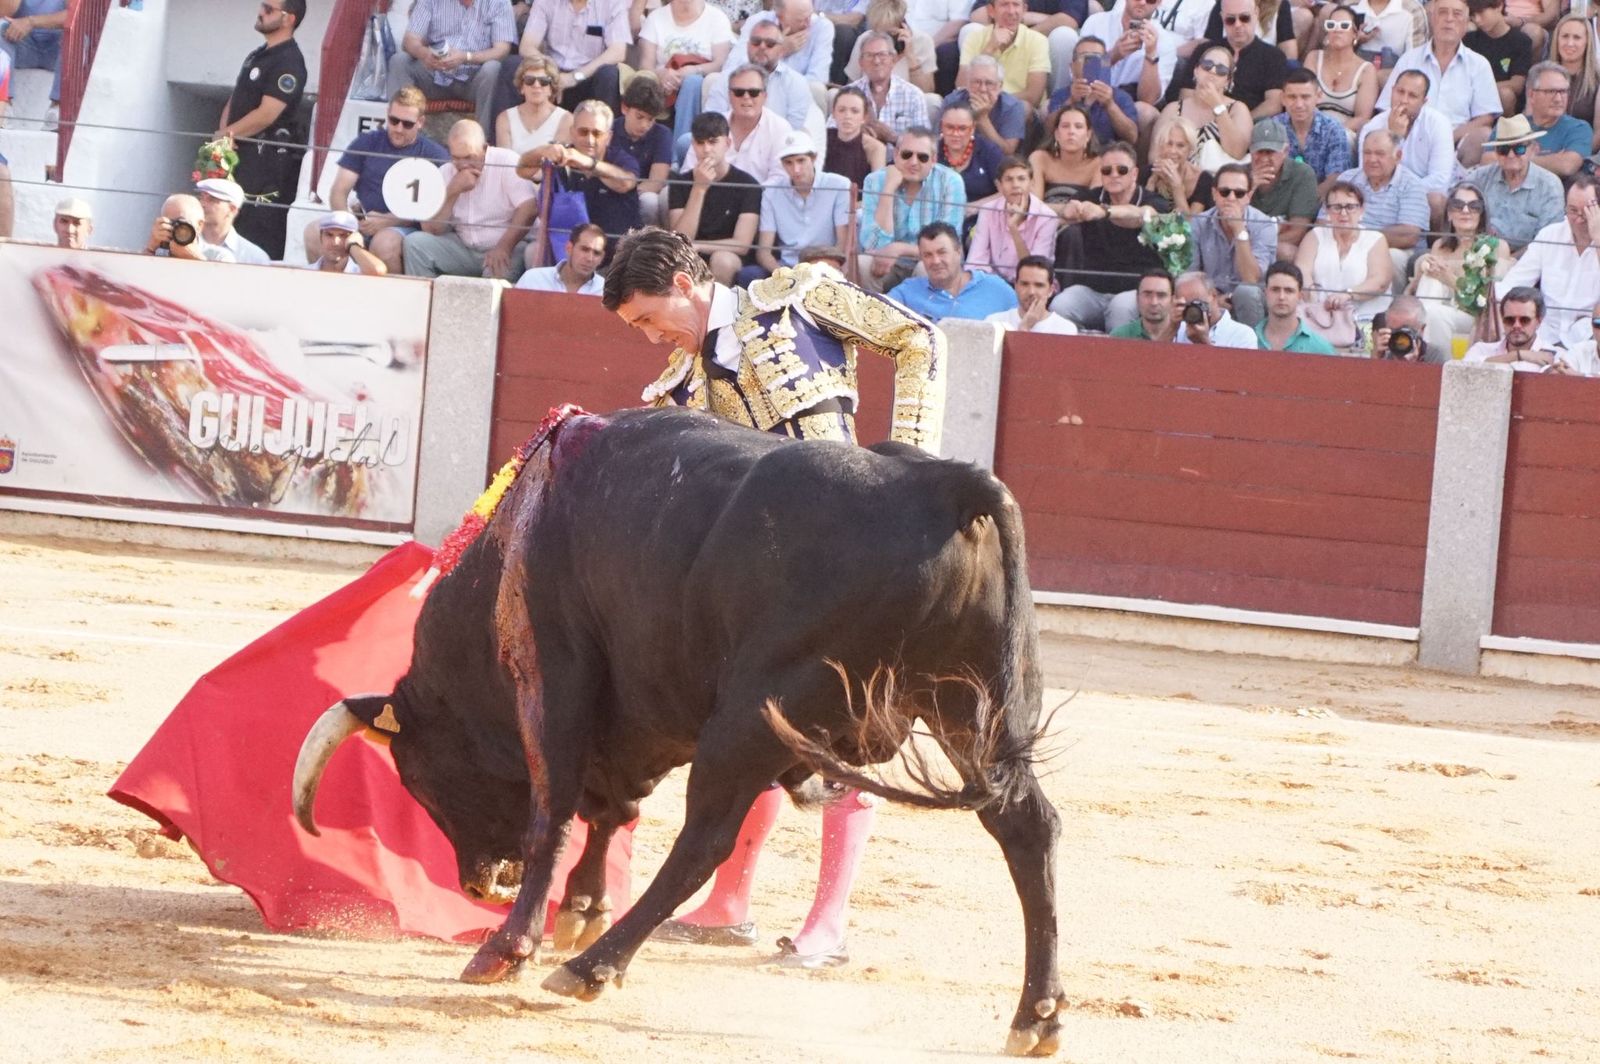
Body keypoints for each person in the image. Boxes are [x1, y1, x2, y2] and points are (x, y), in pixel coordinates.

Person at [605, 225, 945, 968]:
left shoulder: (801, 298)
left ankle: (830, 922)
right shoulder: (675, 389)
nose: (651, 337)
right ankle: (729, 904)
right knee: (748, 727)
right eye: (637, 328)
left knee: (850, 728)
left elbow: (920, 340)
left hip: (852, 553)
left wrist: (910, 468)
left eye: (649, 317)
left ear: (685, 284)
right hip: (759, 582)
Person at [309, 87, 450, 274]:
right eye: (394, 121)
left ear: (420, 122)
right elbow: (339, 192)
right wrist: (348, 225)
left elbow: (437, 207)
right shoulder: (367, 142)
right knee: (313, 233)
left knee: (384, 243)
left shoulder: (435, 155)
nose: (398, 128)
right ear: (387, 115)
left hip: (405, 229)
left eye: (407, 124)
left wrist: (390, 220)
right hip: (361, 223)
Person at [217, 0, 308, 261]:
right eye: (262, 6)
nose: (260, 12)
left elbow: (267, 113)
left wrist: (228, 135)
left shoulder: (289, 61)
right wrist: (222, 136)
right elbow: (237, 98)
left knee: (256, 233)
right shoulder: (258, 54)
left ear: (288, 18)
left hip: (265, 164)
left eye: (268, 9)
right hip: (239, 157)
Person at [1051, 140, 1168, 332]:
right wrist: (1067, 209)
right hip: (1092, 291)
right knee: (1060, 306)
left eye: (1121, 170)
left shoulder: (1153, 200)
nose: (1114, 175)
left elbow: (1142, 215)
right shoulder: (1090, 197)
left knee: (1120, 309)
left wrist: (1105, 212)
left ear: (1134, 174)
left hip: (1134, 291)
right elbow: (1055, 211)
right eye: (1107, 170)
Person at [403, 119, 537, 280]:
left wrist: (504, 247)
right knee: (414, 243)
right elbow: (431, 229)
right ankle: (424, 295)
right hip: (464, 247)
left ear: (484, 149)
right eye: (456, 158)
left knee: (494, 274)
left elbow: (529, 208)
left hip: (507, 245)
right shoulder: (445, 172)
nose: (463, 164)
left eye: (469, 157)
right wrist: (452, 191)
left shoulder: (507, 161)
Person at [1377, 0, 1500, 167]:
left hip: (1455, 144)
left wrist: (1445, 139)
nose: (1449, 19)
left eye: (1457, 14)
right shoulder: (1409, 59)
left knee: (1483, 135)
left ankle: (1462, 184)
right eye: (1442, 12)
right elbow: (1386, 107)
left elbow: (1485, 118)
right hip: (1409, 139)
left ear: (1466, 23)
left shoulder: (1479, 64)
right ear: (1432, 18)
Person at [519, 100, 642, 257]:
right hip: (568, 255)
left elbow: (626, 183)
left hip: (618, 256)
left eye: (597, 134)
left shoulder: (621, 159)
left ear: (608, 137)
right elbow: (523, 170)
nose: (590, 140)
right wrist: (542, 151)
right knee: (532, 252)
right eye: (583, 132)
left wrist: (587, 163)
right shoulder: (562, 155)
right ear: (572, 132)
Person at [857, 126, 965, 291]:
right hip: (888, 263)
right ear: (896, 154)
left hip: (927, 259)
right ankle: (873, 307)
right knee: (863, 263)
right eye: (907, 155)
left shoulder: (950, 182)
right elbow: (872, 243)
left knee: (926, 267)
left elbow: (947, 246)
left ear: (933, 159)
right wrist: (888, 190)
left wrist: (899, 249)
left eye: (922, 157)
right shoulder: (875, 181)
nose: (913, 162)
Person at [1406, 181, 1508, 355]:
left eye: (1474, 206)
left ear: (1482, 214)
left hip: (1476, 315)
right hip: (1440, 306)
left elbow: (1484, 300)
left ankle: (1437, 363)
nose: (1466, 211)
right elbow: (1418, 288)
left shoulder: (1495, 246)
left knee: (1435, 314)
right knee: (1431, 279)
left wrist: (1450, 278)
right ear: (1449, 214)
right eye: (1458, 205)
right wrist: (1420, 275)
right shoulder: (1440, 245)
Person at [387, 0, 516, 136]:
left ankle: (482, 139)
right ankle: (398, 132)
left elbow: (502, 49)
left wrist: (466, 57)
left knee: (493, 68)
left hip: (473, 80)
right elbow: (409, 40)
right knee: (399, 61)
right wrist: (425, 54)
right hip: (434, 74)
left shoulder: (498, 2)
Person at [741, 129, 851, 287]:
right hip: (787, 268)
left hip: (826, 266)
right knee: (749, 275)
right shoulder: (772, 192)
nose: (796, 169)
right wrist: (785, 276)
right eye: (789, 163)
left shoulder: (838, 185)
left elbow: (842, 243)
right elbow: (764, 251)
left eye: (801, 161)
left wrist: (826, 271)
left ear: (814, 158)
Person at [1501, 175, 1600, 350]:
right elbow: (1514, 283)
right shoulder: (1550, 235)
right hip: (1544, 336)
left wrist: (1598, 239)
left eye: (1585, 213)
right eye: (1572, 210)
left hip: (1589, 340)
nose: (1578, 220)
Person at [668, 111, 763, 284]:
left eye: (712, 142)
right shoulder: (680, 183)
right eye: (700, 143)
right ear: (693, 145)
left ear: (727, 143)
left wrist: (700, 246)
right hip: (691, 254)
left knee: (721, 260)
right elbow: (681, 238)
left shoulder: (748, 185)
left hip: (729, 256)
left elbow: (742, 244)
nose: (706, 149)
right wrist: (699, 189)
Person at [1355, 70, 1457, 222]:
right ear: (1392, 91)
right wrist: (1393, 136)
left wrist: (1404, 193)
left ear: (1424, 101)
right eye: (1400, 92)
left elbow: (1439, 180)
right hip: (1380, 192)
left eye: (1412, 96)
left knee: (1436, 200)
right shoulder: (1373, 127)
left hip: (1421, 194)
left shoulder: (1439, 124)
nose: (1403, 100)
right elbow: (1367, 172)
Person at [637, 0, 737, 147]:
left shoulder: (717, 18)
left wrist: (694, 70)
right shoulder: (655, 18)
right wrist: (662, 74)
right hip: (663, 84)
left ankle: (681, 150)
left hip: (698, 84)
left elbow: (720, 64)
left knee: (692, 82)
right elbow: (645, 65)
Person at [1190, 162, 1276, 326]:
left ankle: (1253, 343)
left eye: (1239, 193)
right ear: (1214, 194)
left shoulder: (1264, 224)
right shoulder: (1199, 223)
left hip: (1252, 302)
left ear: (1248, 197)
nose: (1231, 198)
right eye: (1224, 192)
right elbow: (1191, 274)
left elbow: (1251, 279)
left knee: (1246, 292)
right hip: (1210, 299)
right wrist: (1213, 299)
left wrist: (1239, 230)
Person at [1294, 180, 1393, 322]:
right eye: (1336, 207)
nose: (1343, 213)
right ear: (1327, 211)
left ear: (1361, 210)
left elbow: (1380, 281)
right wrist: (1313, 300)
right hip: (1319, 317)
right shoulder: (1315, 235)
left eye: (1350, 207)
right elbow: (1302, 272)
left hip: (1365, 319)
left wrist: (1348, 294)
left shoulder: (1375, 239)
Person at [1332, 128, 1428, 273]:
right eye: (1367, 153)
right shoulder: (1346, 179)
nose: (1372, 159)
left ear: (1398, 156)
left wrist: (1358, 239)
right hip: (1346, 243)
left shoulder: (1412, 184)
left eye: (1380, 154)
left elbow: (1408, 235)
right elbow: (1324, 222)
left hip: (1395, 249)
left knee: (1391, 256)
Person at [1174, 0, 1289, 120]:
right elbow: (1186, 94)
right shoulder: (1204, 50)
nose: (1238, 24)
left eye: (1244, 18)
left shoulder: (1273, 56)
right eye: (1230, 20)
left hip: (1249, 125)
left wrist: (1240, 122)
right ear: (1222, 17)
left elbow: (1274, 104)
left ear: (1256, 13)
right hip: (1199, 121)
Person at [1462, 114, 1562, 252]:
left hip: (1529, 260)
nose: (1510, 155)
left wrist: (1510, 260)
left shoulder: (1550, 186)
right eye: (1503, 150)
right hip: (1477, 254)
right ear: (1496, 152)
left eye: (1519, 149)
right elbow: (1456, 210)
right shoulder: (1479, 178)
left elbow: (1547, 242)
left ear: (1533, 149)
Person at [887, 220, 1019, 322]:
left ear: (958, 251)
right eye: (928, 255)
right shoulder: (908, 291)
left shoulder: (995, 288)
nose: (936, 261)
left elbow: (1021, 325)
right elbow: (879, 315)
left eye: (942, 252)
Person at [513, 0, 628, 113]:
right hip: (551, 74)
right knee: (513, 64)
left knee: (609, 74)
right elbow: (527, 46)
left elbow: (618, 52)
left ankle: (603, 124)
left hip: (588, 75)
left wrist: (575, 77)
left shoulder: (613, 3)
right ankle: (508, 123)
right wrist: (552, 73)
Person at [683, 65, 791, 184]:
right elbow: (688, 172)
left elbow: (780, 179)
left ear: (765, 96)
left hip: (761, 194)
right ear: (729, 96)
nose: (746, 97)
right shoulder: (711, 125)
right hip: (709, 192)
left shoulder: (780, 128)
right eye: (739, 92)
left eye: (754, 92)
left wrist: (750, 193)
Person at [707, 12, 813, 132]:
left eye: (770, 44)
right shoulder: (726, 78)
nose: (762, 47)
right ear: (747, 46)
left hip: (779, 141)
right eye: (756, 42)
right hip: (730, 140)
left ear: (781, 50)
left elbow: (793, 131)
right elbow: (712, 122)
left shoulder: (796, 83)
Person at [1159, 42, 1253, 165]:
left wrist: (1218, 107)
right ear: (1196, 70)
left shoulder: (1238, 109)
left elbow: (1237, 152)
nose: (1213, 71)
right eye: (1207, 65)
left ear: (1228, 80)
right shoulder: (1173, 109)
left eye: (1221, 70)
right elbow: (1155, 155)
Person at [967, 155, 1057, 281]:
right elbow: (975, 262)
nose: (1015, 185)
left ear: (1031, 183)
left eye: (1021, 179)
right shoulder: (988, 210)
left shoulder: (1047, 217)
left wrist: (1013, 228)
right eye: (1009, 179)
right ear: (999, 185)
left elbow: (1035, 271)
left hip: (1031, 285)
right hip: (993, 283)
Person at [1079, 0, 1180, 110]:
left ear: (1158, 2)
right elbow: (1079, 74)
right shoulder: (1096, 22)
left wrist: (1151, 54)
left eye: (1150, 0)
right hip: (1090, 95)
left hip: (1128, 107)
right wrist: (1112, 56)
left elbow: (1148, 100)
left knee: (1145, 111)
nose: (1142, 2)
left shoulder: (1165, 41)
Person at [1044, 37, 1139, 150]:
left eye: (1097, 57)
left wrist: (1110, 105)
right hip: (1070, 153)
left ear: (1105, 64)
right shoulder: (1061, 95)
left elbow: (1132, 137)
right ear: (1072, 66)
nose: (1091, 63)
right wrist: (1070, 101)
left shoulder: (1120, 97)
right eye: (1085, 57)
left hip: (1108, 155)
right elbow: (1048, 131)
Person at [956, 0, 1050, 110]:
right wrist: (989, 49)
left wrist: (994, 100)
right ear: (991, 11)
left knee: (1023, 107)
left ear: (1024, 10)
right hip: (977, 105)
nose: (1011, 11)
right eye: (1004, 5)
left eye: (1016, 5)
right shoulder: (974, 38)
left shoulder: (1038, 41)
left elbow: (1033, 96)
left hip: (1015, 108)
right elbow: (961, 87)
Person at [1510, 64, 1594, 180]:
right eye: (1551, 91)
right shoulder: (1511, 126)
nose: (1558, 99)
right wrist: (1552, 159)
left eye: (1563, 92)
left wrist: (1517, 159)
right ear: (1531, 95)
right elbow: (1488, 160)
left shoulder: (1579, 128)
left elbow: (1567, 166)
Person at [1301, 6, 1377, 134]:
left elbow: (1362, 117)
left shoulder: (1366, 70)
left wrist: (1332, 133)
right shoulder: (1313, 58)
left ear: (1355, 33)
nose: (1337, 30)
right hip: (1310, 128)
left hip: (1345, 133)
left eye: (1344, 25)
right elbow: (1303, 100)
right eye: (1331, 25)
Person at [1250, 119, 1318, 261]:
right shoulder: (1239, 175)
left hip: (1271, 246)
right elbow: (1228, 221)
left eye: (1270, 152)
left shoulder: (1302, 174)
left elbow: (1297, 232)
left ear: (1285, 151)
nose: (1264, 159)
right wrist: (1250, 187)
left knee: (1287, 251)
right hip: (1245, 244)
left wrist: (1257, 245)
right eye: (1259, 152)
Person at [611, 77, 674, 226]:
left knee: (651, 201)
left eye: (650, 119)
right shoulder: (610, 131)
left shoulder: (662, 134)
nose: (644, 125)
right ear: (625, 108)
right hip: (614, 193)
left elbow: (656, 182)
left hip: (643, 194)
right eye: (639, 117)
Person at [850, 30, 932, 142]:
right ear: (861, 63)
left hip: (899, 153)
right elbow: (831, 137)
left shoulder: (913, 95)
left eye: (882, 55)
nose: (876, 61)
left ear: (893, 60)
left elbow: (923, 144)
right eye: (869, 56)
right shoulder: (849, 94)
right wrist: (855, 133)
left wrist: (893, 138)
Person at [1275, 68, 1350, 188]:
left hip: (1321, 195)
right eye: (1292, 97)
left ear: (1318, 96)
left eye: (1305, 97)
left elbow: (1336, 177)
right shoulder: (1273, 127)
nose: (1299, 104)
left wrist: (1310, 198)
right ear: (1283, 98)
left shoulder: (1333, 129)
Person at [841, 0, 937, 93]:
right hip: (870, 98)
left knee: (932, 100)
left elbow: (927, 91)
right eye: (878, 34)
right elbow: (852, 85)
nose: (884, 39)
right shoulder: (865, 39)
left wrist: (911, 57)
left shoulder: (923, 41)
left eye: (890, 33)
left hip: (908, 99)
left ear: (902, 25)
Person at [947, 53, 1030, 156]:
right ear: (967, 84)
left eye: (989, 83)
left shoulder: (1012, 107)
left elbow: (1007, 152)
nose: (983, 89)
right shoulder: (952, 102)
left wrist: (983, 119)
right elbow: (941, 142)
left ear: (1000, 86)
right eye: (977, 82)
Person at [1463, 286, 1561, 370]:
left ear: (1539, 321)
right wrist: (1518, 356)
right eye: (1509, 320)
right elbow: (1465, 370)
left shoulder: (1556, 356)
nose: (1516, 325)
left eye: (1524, 320)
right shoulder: (1481, 350)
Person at [0, 0, 68, 121]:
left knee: (76, 36)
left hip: (57, 48)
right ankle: (4, 108)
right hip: (22, 44)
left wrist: (31, 22)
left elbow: (73, 15)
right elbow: (3, 13)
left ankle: (56, 111)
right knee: (1, 29)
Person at [1032, 104, 1103, 218]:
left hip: (1082, 225)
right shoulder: (1040, 158)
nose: (1071, 131)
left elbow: (1091, 210)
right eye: (1065, 126)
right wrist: (1064, 209)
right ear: (1056, 134)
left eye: (1078, 126)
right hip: (1043, 222)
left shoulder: (1099, 164)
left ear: (1088, 135)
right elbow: (1032, 206)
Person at [1463, 0, 1532, 116]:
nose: (1477, 20)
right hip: (1472, 99)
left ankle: (1508, 126)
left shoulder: (1520, 41)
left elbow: (1517, 84)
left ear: (1499, 6)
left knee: (1506, 94)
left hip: (1501, 100)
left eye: (1481, 12)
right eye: (1473, 15)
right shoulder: (1469, 40)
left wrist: (1481, 87)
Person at [496, 56, 574, 154]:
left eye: (544, 81)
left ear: (551, 88)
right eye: (529, 80)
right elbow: (504, 160)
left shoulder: (566, 119)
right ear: (522, 87)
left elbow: (556, 159)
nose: (536, 85)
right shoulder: (505, 118)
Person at [1256, 260, 1338, 353]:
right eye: (1275, 289)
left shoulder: (1320, 348)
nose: (1281, 297)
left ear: (1300, 296)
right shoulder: (1248, 339)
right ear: (1265, 293)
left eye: (1289, 291)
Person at [985, 254, 1080, 334]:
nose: (1031, 292)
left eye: (1039, 285)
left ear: (1051, 290)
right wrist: (1024, 327)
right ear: (1016, 286)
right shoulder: (994, 323)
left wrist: (1025, 327)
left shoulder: (1065, 329)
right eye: (1025, 284)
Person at [1143, 114, 1213, 215]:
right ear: (1160, 145)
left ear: (1190, 149)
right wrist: (1152, 182)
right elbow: (1141, 217)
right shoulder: (1146, 172)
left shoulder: (1203, 179)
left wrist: (1177, 187)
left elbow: (1192, 223)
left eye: (1180, 145)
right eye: (1169, 143)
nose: (1173, 151)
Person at [935, 101, 1002, 205]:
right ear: (941, 127)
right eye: (949, 127)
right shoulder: (931, 150)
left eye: (962, 128)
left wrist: (974, 207)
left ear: (972, 129)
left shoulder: (989, 151)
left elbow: (1005, 192)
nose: (955, 133)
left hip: (979, 213)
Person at [1170, 270, 1259, 347]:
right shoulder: (1178, 329)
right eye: (1186, 305)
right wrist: (1171, 327)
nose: (1192, 310)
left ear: (1213, 295)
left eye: (1197, 303)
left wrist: (1203, 342)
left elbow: (1239, 363)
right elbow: (1162, 356)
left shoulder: (1242, 334)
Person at [196, 177, 272, 265]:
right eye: (201, 198)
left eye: (212, 200)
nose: (202, 204)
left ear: (232, 209)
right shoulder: (185, 245)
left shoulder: (254, 257)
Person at [514, 221, 608, 292]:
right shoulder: (533, 279)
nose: (589, 258)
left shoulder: (607, 293)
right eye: (584, 249)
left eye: (596, 253)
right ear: (569, 248)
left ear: (602, 257)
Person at [823, 87, 886, 189]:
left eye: (855, 111)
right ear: (833, 113)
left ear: (864, 117)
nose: (847, 116)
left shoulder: (875, 148)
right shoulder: (823, 138)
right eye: (841, 110)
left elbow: (876, 191)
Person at [1549, 15, 1600, 139]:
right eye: (1565, 36)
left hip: (1586, 147)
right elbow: (1531, 122)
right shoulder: (1541, 75)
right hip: (1544, 147)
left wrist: (1577, 149)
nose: (1570, 43)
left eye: (1577, 37)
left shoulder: (1597, 78)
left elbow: (1598, 133)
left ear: (1587, 42)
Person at [143, 194, 229, 262]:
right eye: (171, 223)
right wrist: (150, 248)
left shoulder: (219, 256)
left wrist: (195, 257)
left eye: (182, 223)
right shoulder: (157, 253)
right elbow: (138, 275)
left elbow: (222, 279)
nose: (177, 229)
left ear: (199, 225)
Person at [304, 211, 388, 275]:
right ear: (321, 238)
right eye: (329, 235)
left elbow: (377, 271)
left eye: (343, 235)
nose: (335, 243)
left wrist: (354, 246)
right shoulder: (305, 272)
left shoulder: (359, 272)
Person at [1109, 267, 1179, 341]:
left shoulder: (1184, 334)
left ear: (1172, 300)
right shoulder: (1120, 336)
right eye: (1147, 294)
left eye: (1161, 295)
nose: (1154, 302)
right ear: (1137, 298)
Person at [1369, 293, 1441, 361]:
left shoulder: (1435, 356)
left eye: (1405, 331)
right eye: (1393, 331)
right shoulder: (1384, 353)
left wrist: (1411, 366)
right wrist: (1376, 358)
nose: (1400, 338)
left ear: (1422, 329)